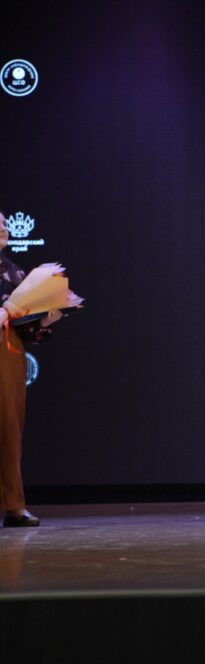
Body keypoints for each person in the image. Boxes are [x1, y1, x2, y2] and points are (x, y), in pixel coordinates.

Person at [0, 210, 62, 528]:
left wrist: (45, 320)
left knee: (9, 427)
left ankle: (13, 505)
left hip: (7, 353)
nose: (3, 227)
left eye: (4, 223)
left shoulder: (14, 272)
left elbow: (29, 330)